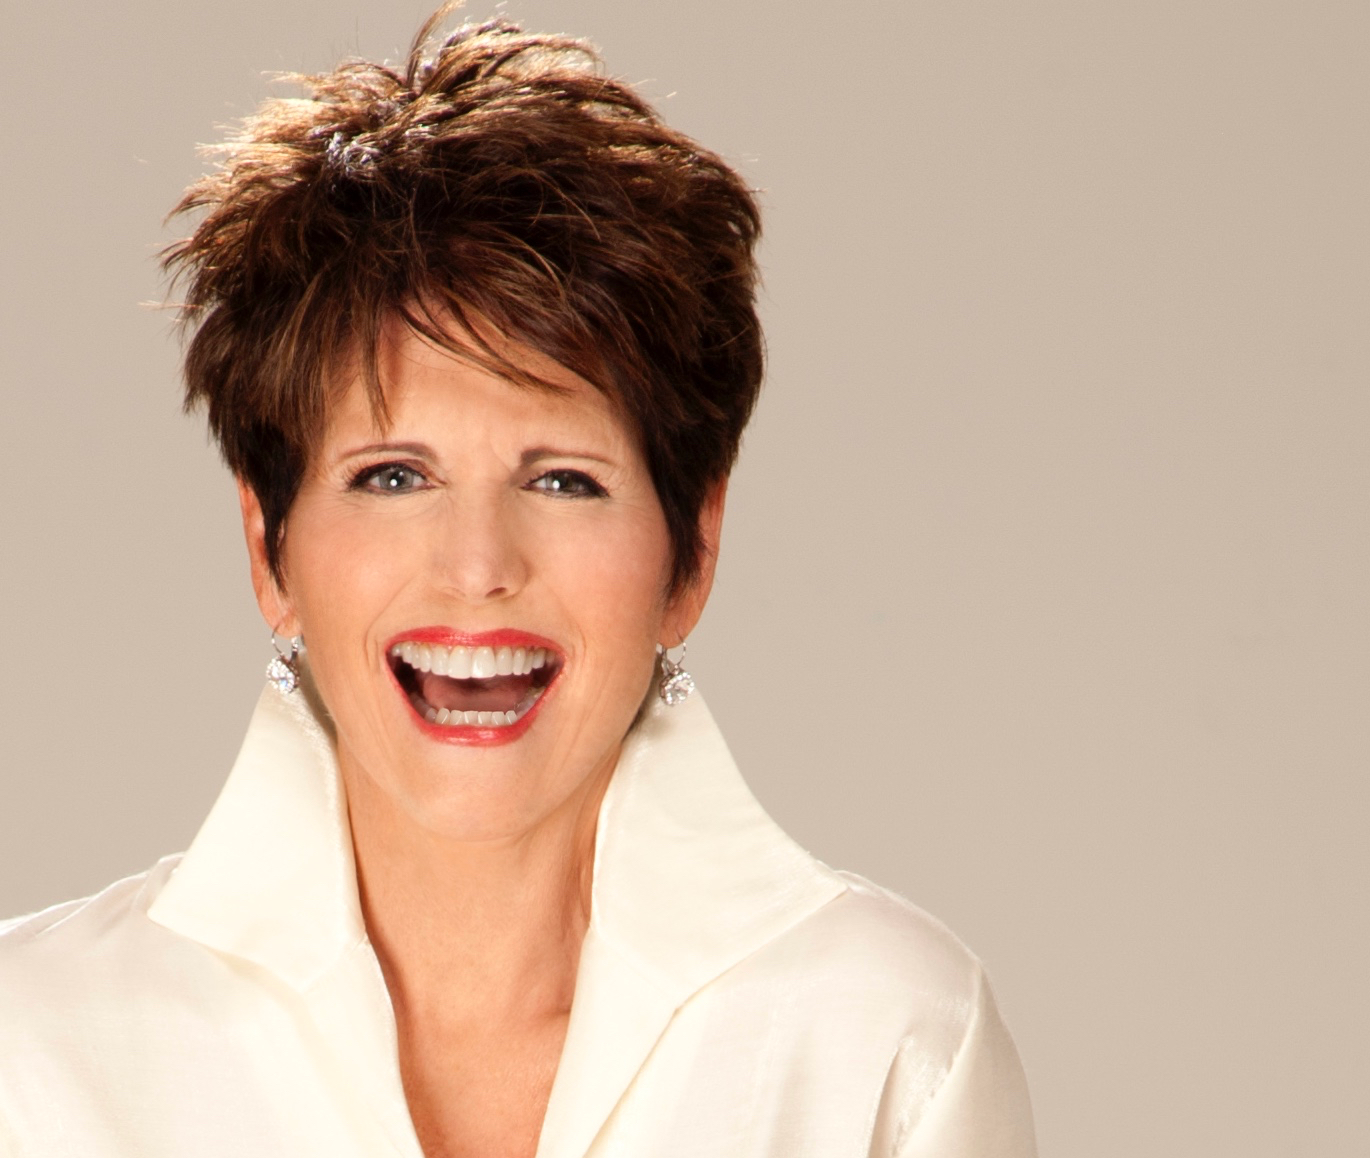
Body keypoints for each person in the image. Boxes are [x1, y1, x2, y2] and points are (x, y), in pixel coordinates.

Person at [0, 9, 1036, 1156]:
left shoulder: (885, 1042)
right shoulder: (34, 1051)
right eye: (394, 476)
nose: (479, 567)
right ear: (269, 548)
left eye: (563, 481)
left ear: (691, 552)